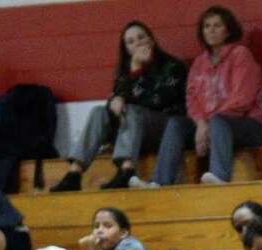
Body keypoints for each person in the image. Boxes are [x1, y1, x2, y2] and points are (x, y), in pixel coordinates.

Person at [50, 21, 186, 194]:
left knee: (132, 111)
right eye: (130, 41)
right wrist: (115, 100)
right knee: (99, 112)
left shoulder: (172, 66)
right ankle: (74, 174)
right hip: (131, 131)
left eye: (141, 37)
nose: (137, 43)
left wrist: (136, 72)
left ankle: (126, 170)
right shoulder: (124, 69)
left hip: (162, 130)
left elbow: (157, 100)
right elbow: (115, 99)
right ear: (126, 48)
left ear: (151, 40)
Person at [148, 5, 262, 186]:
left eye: (217, 25)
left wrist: (209, 123)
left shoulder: (240, 55)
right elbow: (191, 98)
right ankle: (159, 182)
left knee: (219, 121)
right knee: (176, 124)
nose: (211, 30)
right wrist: (201, 123)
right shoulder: (199, 62)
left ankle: (219, 177)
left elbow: (242, 99)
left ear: (228, 31)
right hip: (210, 126)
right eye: (207, 26)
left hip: (249, 125)